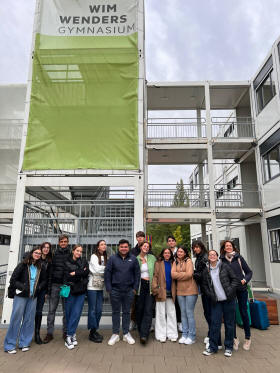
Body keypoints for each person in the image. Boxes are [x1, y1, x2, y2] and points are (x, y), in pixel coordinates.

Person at [4, 247, 46, 353]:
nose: (38, 254)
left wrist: (39, 287)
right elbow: (13, 280)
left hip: (33, 297)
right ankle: (10, 345)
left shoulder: (40, 266)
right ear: (32, 253)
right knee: (16, 319)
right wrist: (23, 287)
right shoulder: (22, 265)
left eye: (40, 253)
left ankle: (24, 343)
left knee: (29, 320)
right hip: (21, 296)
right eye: (36, 252)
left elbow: (44, 280)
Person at [201, 250, 240, 357]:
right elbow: (204, 286)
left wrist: (230, 290)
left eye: (214, 254)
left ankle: (228, 347)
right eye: (210, 255)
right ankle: (213, 347)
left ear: (217, 257)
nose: (212, 256)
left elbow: (235, 280)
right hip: (216, 302)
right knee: (214, 324)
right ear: (208, 257)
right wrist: (210, 295)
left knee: (229, 324)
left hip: (229, 300)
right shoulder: (206, 270)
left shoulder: (224, 266)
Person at [105, 239, 140, 346]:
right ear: (118, 247)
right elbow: (107, 273)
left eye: (125, 247)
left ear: (128, 247)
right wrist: (109, 288)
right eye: (121, 247)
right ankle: (115, 334)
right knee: (115, 312)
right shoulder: (112, 259)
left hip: (129, 290)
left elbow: (137, 274)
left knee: (126, 312)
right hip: (115, 290)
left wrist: (135, 288)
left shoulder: (133, 259)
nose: (123, 248)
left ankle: (126, 333)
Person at [220, 240, 253, 351]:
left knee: (244, 312)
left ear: (233, 247)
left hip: (241, 289)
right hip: (229, 291)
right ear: (224, 248)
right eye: (226, 246)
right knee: (231, 314)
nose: (228, 247)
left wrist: (244, 280)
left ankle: (248, 338)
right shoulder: (222, 260)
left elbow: (249, 272)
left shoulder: (239, 258)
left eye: (230, 245)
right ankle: (234, 338)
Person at [43, 234, 70, 343]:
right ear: (59, 243)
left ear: (68, 242)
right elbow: (50, 272)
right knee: (51, 310)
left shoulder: (71, 254)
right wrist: (48, 288)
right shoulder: (53, 254)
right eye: (61, 241)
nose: (63, 243)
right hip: (54, 285)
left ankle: (65, 332)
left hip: (65, 286)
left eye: (65, 241)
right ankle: (49, 333)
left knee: (66, 310)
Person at [63, 244, 89, 349]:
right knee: (69, 313)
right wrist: (80, 273)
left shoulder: (84, 261)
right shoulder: (66, 261)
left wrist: (76, 273)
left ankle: (70, 335)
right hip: (70, 290)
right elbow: (67, 276)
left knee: (77, 313)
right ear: (73, 251)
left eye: (81, 251)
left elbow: (86, 272)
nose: (79, 253)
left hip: (81, 290)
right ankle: (70, 335)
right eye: (77, 251)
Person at [171, 245, 198, 344]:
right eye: (178, 252)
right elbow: (172, 274)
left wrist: (179, 275)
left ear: (185, 253)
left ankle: (192, 336)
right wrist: (183, 274)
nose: (179, 253)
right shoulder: (175, 261)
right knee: (183, 313)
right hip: (179, 291)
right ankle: (185, 334)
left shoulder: (189, 261)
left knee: (189, 313)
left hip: (191, 290)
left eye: (181, 252)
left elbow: (189, 274)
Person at [192, 240, 215, 347]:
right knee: (207, 312)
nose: (195, 249)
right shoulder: (199, 257)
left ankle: (212, 335)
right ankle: (211, 333)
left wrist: (194, 274)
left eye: (197, 247)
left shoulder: (205, 257)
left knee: (209, 312)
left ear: (201, 247)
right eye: (194, 247)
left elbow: (205, 274)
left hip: (208, 288)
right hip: (204, 288)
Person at [152, 248, 178, 343]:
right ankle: (161, 334)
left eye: (168, 253)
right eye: (165, 253)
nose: (167, 254)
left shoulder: (173, 263)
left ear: (171, 254)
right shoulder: (158, 263)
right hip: (161, 291)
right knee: (160, 313)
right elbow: (155, 276)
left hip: (171, 291)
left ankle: (172, 334)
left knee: (171, 313)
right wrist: (155, 288)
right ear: (162, 254)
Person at [135, 241, 157, 344]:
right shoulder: (136, 259)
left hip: (149, 286)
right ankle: (141, 329)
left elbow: (156, 272)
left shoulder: (152, 258)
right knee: (139, 309)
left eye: (148, 247)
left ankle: (144, 334)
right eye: (144, 246)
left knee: (148, 310)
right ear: (140, 247)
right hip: (140, 286)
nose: (146, 248)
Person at [87, 239, 107, 343]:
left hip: (100, 286)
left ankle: (95, 329)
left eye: (105, 244)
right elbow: (96, 269)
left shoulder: (105, 257)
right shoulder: (94, 256)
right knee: (93, 310)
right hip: (92, 286)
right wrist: (107, 268)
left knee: (99, 310)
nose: (104, 246)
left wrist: (103, 268)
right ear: (98, 247)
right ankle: (92, 332)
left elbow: (100, 269)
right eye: (102, 244)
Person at [34, 242, 52, 344]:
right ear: (41, 248)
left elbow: (49, 277)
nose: (46, 249)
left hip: (42, 290)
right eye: (44, 247)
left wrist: (47, 292)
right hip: (32, 289)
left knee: (39, 312)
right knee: (30, 312)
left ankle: (37, 334)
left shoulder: (49, 261)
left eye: (48, 248)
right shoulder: (36, 257)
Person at [130, 230, 146, 331]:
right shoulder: (132, 251)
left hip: (145, 280)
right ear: (136, 238)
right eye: (138, 237)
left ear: (144, 238)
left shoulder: (148, 249)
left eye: (141, 237)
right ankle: (133, 321)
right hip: (135, 281)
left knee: (144, 303)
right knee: (133, 302)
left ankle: (144, 322)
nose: (140, 238)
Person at [167, 235, 182, 332]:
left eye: (173, 241)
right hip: (170, 280)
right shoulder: (167, 252)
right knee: (171, 302)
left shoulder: (180, 252)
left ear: (175, 242)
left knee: (179, 302)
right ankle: (171, 323)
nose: (171, 242)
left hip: (179, 280)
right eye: (169, 241)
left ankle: (180, 323)